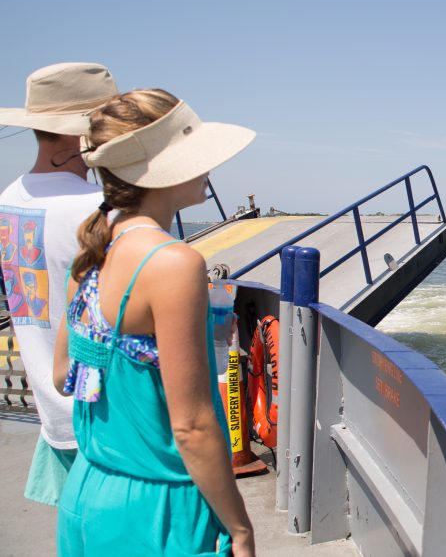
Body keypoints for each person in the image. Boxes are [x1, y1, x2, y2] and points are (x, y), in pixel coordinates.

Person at [51, 89, 256, 556]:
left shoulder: (93, 253)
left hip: (89, 493)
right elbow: (192, 426)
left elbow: (65, 376)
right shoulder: (173, 263)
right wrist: (240, 528)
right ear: (162, 170)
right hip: (158, 511)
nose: (209, 167)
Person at [0, 62, 118, 506]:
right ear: (84, 134)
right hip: (106, 417)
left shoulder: (8, 199)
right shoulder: (96, 207)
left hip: (53, 413)